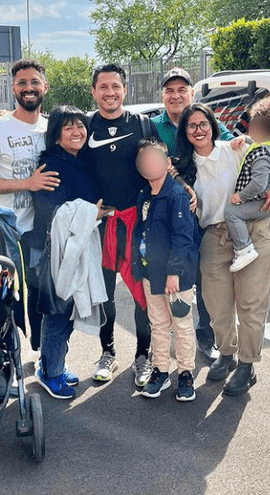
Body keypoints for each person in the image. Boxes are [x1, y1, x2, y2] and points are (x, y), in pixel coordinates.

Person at [176, 103, 270, 397]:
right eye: (191, 126)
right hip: (214, 235)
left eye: (203, 123)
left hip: (254, 230)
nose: (198, 130)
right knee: (216, 305)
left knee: (251, 304)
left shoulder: (236, 147)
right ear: (184, 133)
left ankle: (248, 365)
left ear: (213, 125)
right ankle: (227, 353)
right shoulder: (182, 167)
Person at [81, 63, 161, 388]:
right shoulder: (84, 127)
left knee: (143, 296)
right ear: (94, 91)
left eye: (116, 86)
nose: (110, 92)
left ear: (125, 90)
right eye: (103, 86)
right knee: (104, 296)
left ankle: (143, 356)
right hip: (100, 227)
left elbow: (161, 169)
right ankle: (108, 353)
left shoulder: (143, 125)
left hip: (136, 224)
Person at [0, 59, 59, 354]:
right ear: (13, 88)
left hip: (40, 233)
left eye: (35, 82)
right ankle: (2, 360)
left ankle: (39, 353)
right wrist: (27, 184)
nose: (29, 88)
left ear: (45, 87)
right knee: (3, 299)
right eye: (22, 83)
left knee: (38, 297)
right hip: (4, 231)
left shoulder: (52, 127)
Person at [152, 67, 235, 365]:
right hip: (166, 219)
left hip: (203, 217)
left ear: (191, 93)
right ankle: (161, 340)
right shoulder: (152, 126)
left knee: (205, 280)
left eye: (182, 89)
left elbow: (231, 145)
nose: (176, 95)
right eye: (169, 90)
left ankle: (205, 336)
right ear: (162, 95)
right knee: (168, 279)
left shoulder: (205, 122)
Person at [31, 105, 108, 400]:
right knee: (58, 313)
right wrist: (95, 213)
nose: (77, 132)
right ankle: (51, 373)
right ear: (56, 134)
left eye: (80, 126)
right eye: (68, 128)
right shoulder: (51, 165)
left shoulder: (79, 160)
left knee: (67, 310)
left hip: (75, 248)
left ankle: (53, 365)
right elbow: (51, 211)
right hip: (56, 252)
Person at [132, 138, 200, 402]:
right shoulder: (144, 196)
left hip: (176, 277)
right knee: (158, 325)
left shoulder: (176, 195)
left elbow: (183, 237)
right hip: (152, 273)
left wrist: (174, 273)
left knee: (181, 324)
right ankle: (161, 371)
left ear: (167, 163)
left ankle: (185, 374)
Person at [224, 99, 270, 272]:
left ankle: (244, 249)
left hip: (267, 202)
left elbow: (258, 185)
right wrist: (245, 139)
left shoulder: (261, 157)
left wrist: (240, 196)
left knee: (231, 213)